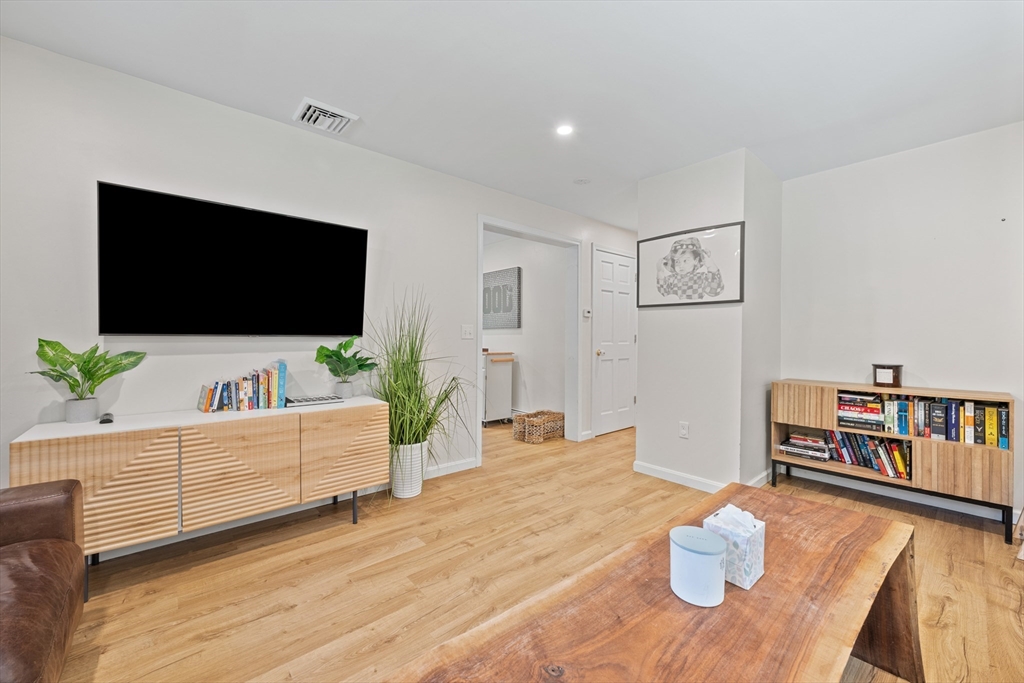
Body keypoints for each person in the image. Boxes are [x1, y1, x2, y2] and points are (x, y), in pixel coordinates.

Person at [656, 236, 724, 300]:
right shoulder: (671, 279)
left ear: (696, 261)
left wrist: (710, 266)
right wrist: (660, 272)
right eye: (677, 261)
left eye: (685, 261)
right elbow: (664, 292)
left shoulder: (701, 277)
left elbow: (714, 291)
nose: (681, 265)